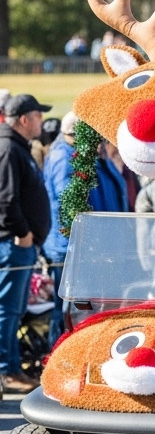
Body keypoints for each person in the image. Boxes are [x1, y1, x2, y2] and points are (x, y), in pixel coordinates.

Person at [43, 111, 131, 344]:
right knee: (68, 307)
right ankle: (60, 350)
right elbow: (69, 205)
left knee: (95, 305)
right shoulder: (66, 158)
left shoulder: (94, 157)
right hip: (74, 248)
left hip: (102, 243)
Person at [0, 93, 53, 392]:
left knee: (14, 309)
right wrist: (23, 233)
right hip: (13, 243)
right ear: (23, 120)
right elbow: (6, 199)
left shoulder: (16, 147)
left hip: (20, 244)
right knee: (7, 310)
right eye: (37, 116)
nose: (41, 122)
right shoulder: (9, 148)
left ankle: (11, 368)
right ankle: (6, 371)